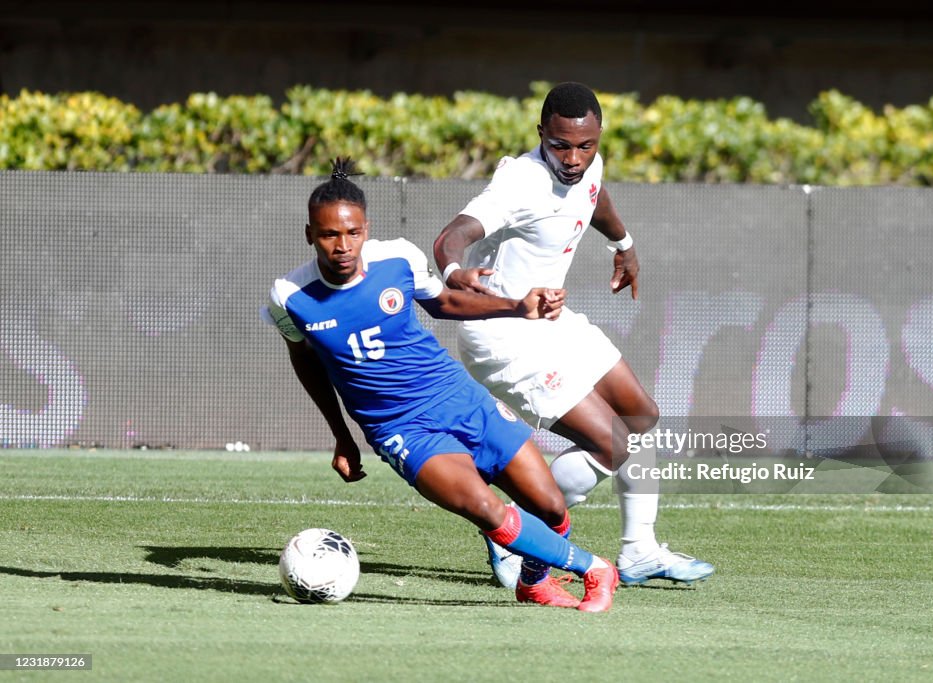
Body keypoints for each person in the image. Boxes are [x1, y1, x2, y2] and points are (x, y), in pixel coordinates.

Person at [262, 156, 618, 612]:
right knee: (485, 508)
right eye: (330, 234)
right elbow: (306, 361)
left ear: (366, 229)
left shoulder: (398, 259)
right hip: (399, 428)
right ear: (310, 234)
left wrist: (518, 307)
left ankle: (534, 583)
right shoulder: (289, 297)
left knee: (550, 507)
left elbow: (445, 302)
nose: (342, 245)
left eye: (352, 233)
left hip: (457, 396)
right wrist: (341, 435)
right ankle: (595, 569)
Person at [433, 82, 714, 588]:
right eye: (560, 144)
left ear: (598, 136)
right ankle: (509, 530)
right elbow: (453, 235)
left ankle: (639, 552)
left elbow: (595, 197)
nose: (573, 157)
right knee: (616, 443)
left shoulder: (588, 163)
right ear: (541, 133)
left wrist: (624, 245)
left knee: (641, 417)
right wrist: (455, 271)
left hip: (551, 320)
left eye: (585, 145)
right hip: (504, 334)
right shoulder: (520, 182)